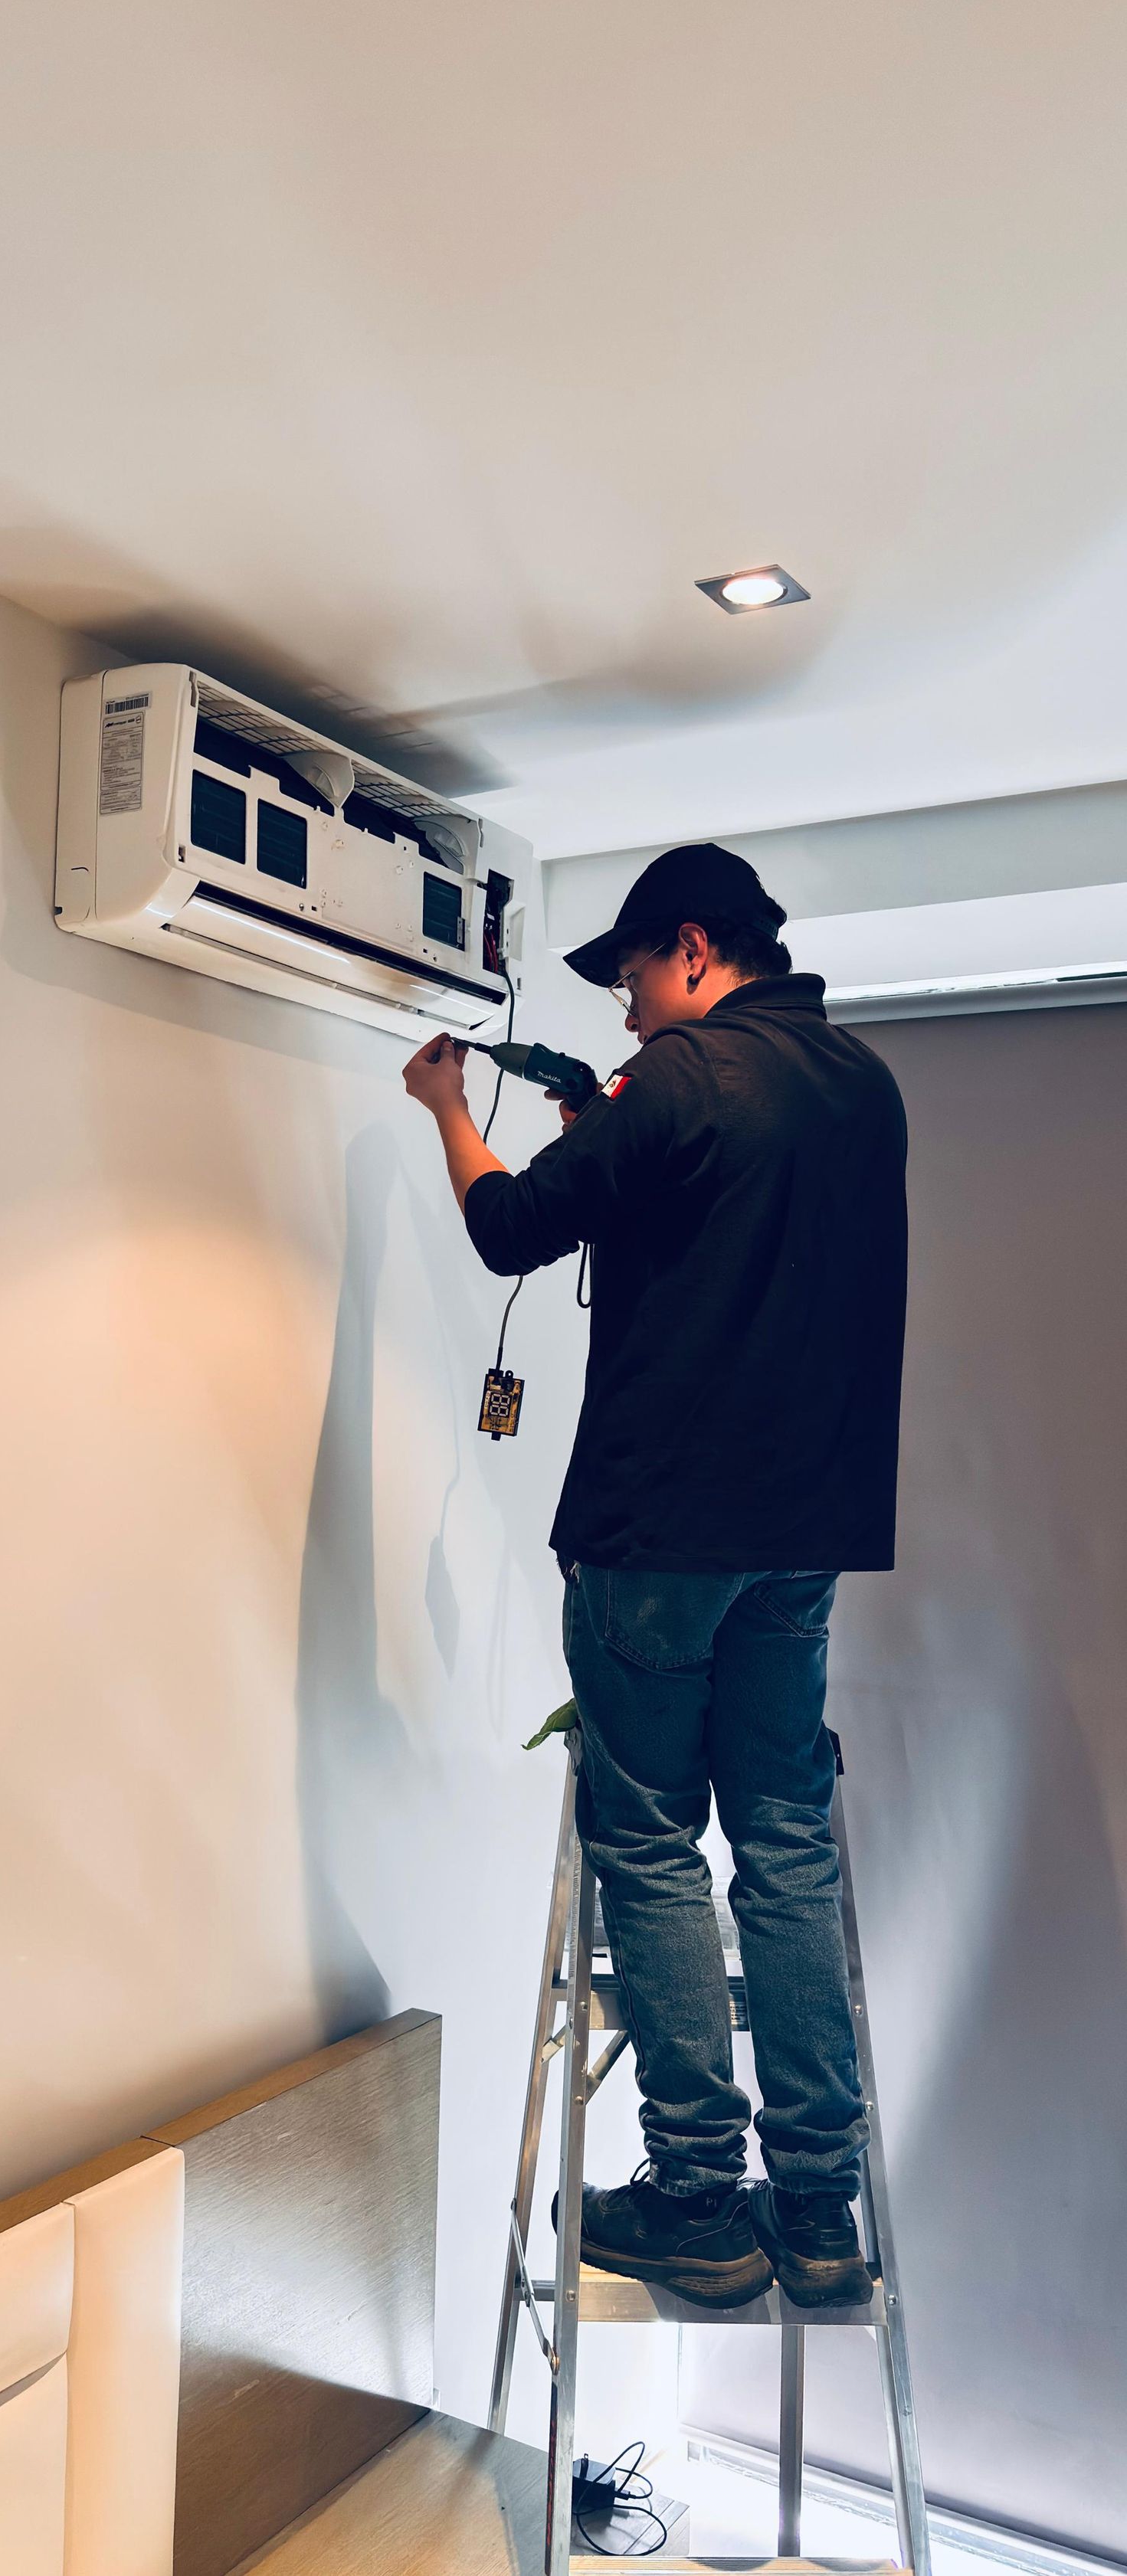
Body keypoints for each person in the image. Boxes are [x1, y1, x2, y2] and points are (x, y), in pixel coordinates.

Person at [402, 842, 907, 2309]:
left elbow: (509, 1228)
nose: (626, 1014)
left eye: (631, 979)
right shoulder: (864, 1085)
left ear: (693, 950)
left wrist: (449, 1110)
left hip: (659, 1538)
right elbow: (733, 1240)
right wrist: (603, 1124)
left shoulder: (675, 1081)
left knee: (652, 1845)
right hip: (799, 1539)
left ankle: (697, 2192)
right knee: (785, 1841)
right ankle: (819, 2208)